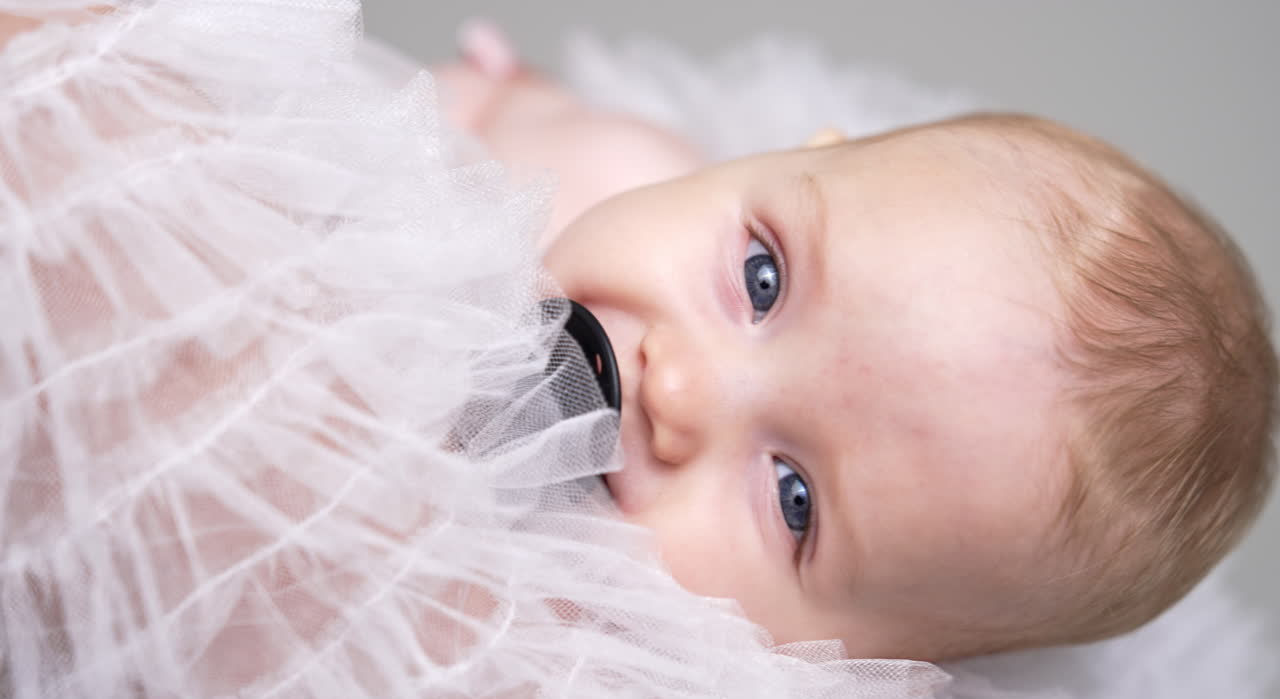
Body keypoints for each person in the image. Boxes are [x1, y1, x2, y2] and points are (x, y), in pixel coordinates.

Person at [439, 21, 1279, 662]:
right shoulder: (588, 169)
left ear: (863, 658)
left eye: (794, 497)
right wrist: (493, 102)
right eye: (762, 280)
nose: (678, 391)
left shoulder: (582, 665)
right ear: (780, 157)